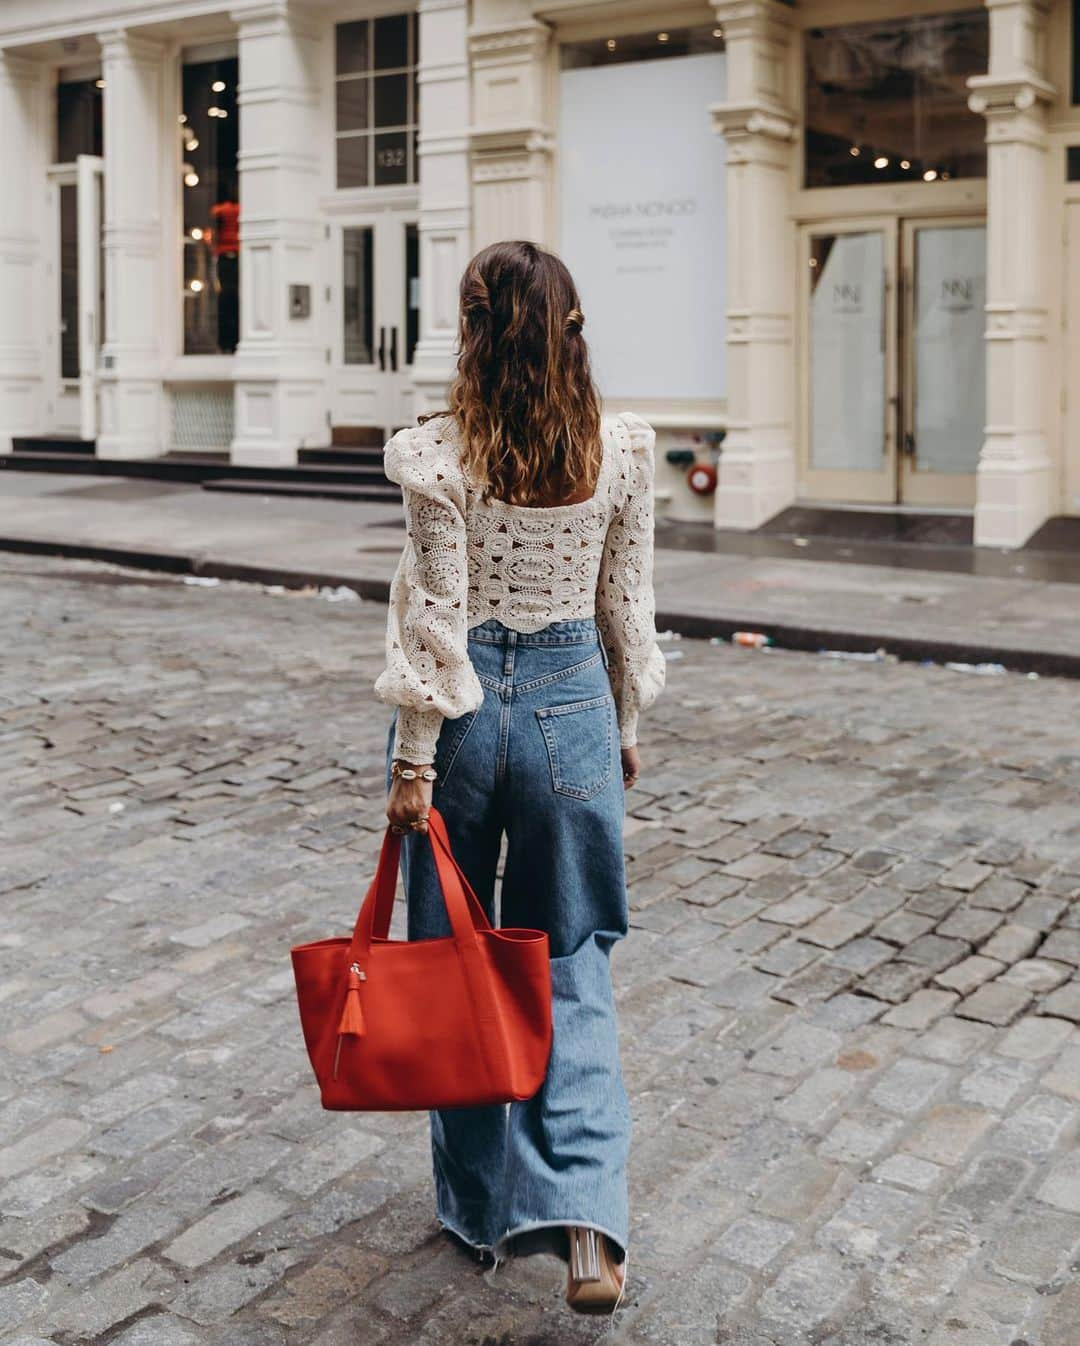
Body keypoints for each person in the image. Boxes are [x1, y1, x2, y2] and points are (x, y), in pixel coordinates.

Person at [373, 238, 666, 1316]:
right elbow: (625, 608)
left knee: (454, 966)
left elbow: (435, 623)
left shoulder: (437, 454)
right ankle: (588, 1220)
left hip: (461, 729)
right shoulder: (623, 448)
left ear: (474, 330)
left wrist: (411, 763)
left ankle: (481, 1207)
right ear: (571, 326)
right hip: (572, 705)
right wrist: (620, 725)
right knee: (572, 958)